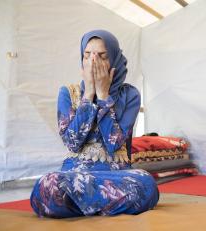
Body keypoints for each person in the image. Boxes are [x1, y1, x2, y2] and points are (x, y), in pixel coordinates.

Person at [30, 30, 159, 218]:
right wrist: (89, 94)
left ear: (114, 60)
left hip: (116, 174)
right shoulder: (68, 92)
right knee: (49, 185)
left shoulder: (130, 94)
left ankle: (78, 205)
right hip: (75, 174)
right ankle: (108, 204)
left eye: (102, 56)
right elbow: (72, 142)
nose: (93, 61)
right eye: (87, 55)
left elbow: (114, 144)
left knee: (146, 184)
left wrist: (104, 96)